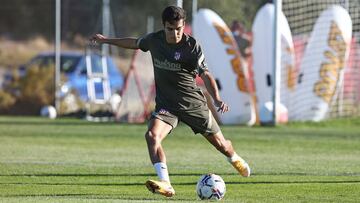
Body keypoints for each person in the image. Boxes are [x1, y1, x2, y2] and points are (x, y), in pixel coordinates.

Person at [90, 6, 250, 198]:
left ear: (183, 26)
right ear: (164, 26)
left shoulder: (191, 47)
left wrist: (216, 99)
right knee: (151, 136)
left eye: (179, 29)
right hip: (167, 106)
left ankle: (234, 157)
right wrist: (106, 40)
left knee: (222, 145)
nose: (175, 33)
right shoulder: (155, 41)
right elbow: (134, 43)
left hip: (192, 105)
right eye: (170, 29)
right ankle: (166, 183)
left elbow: (206, 74)